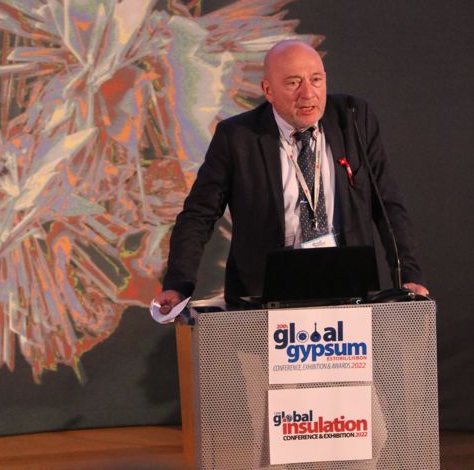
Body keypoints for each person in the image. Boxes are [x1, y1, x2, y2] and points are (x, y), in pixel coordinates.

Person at [155, 40, 428, 314]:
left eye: (316, 80)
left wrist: (408, 276)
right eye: (294, 83)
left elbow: (388, 205)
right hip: (264, 299)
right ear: (268, 90)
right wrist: (178, 283)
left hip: (348, 292)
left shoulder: (354, 119)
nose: (308, 94)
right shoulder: (237, 137)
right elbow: (199, 215)